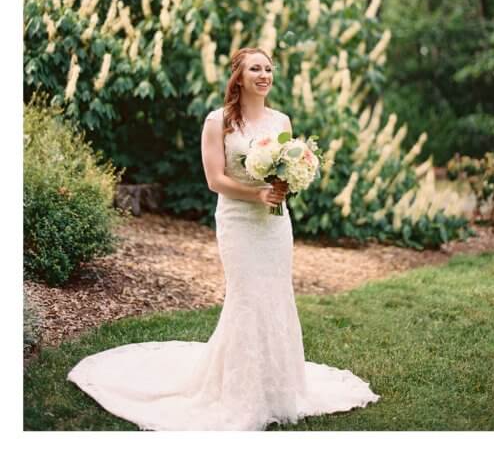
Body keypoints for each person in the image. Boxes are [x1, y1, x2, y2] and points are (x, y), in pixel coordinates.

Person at [67, 47, 379, 430]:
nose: (264, 75)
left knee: (275, 296)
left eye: (268, 68)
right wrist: (256, 194)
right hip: (238, 220)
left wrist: (284, 185)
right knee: (246, 298)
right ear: (239, 76)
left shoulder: (282, 119)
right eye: (255, 69)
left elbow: (284, 172)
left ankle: (278, 389)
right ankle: (240, 393)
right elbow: (215, 180)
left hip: (275, 226)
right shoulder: (219, 122)